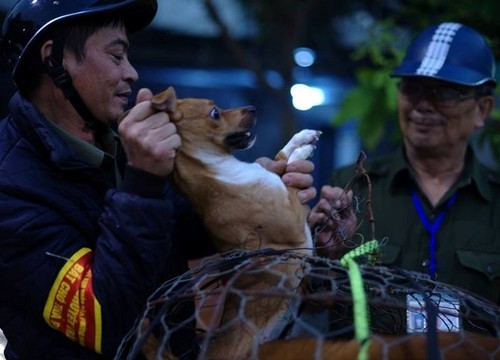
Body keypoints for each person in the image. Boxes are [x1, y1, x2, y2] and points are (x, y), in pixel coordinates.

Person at [0, 0, 317, 359]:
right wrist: (142, 182)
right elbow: (107, 323)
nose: (132, 73)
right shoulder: (9, 186)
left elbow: (187, 230)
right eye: (116, 56)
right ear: (54, 59)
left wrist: (259, 192)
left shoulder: (117, 144)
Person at [309, 22, 500, 305]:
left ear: (482, 110)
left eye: (445, 92)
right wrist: (324, 256)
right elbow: (312, 305)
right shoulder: (353, 189)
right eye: (412, 89)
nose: (423, 105)